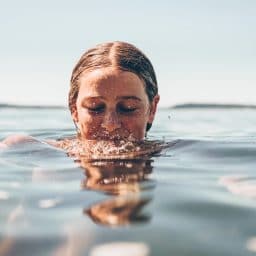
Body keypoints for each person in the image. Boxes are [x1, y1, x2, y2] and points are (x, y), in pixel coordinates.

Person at [1, 41, 161, 157]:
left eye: (128, 108)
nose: (110, 125)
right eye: (95, 107)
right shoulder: (27, 148)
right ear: (74, 109)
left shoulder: (175, 152)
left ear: (152, 109)